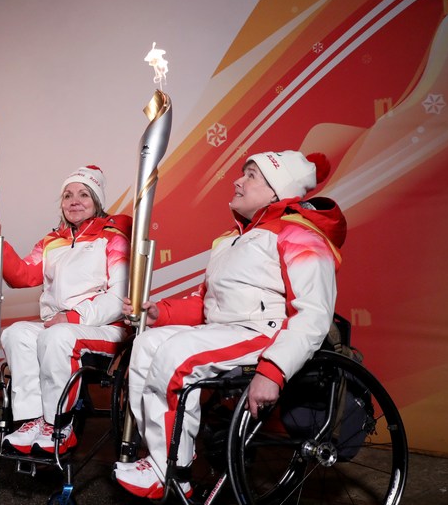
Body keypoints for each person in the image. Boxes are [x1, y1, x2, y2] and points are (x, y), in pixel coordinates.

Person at [113, 150, 347, 500]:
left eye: (251, 175)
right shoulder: (228, 240)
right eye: (242, 173)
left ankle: (171, 469)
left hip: (266, 334)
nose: (238, 180)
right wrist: (159, 313)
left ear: (277, 192)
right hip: (225, 331)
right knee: (147, 344)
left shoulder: (299, 235)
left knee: (176, 355)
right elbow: (206, 306)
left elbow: (313, 313)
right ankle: (163, 459)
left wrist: (273, 371)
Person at [0, 164, 133, 455]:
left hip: (103, 329)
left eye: (84, 194)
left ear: (97, 202)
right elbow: (21, 275)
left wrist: (73, 317)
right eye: (68, 195)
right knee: (17, 334)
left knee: (58, 336)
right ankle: (32, 419)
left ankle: (59, 424)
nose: (75, 201)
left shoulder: (112, 238)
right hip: (58, 330)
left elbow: (119, 296)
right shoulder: (51, 242)